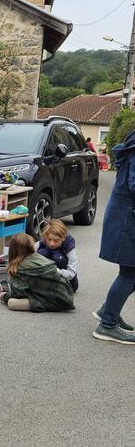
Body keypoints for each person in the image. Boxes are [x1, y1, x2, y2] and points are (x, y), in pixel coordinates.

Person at [94, 130, 135, 344]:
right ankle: (107, 324)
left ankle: (108, 311)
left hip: (125, 215)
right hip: (128, 218)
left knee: (130, 272)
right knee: (130, 272)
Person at [0, 233, 75, 312]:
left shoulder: (19, 268)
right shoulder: (38, 257)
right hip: (66, 295)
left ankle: (49, 305)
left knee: (12, 303)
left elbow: (18, 294)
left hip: (54, 301)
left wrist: (4, 296)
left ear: (12, 249)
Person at [35, 219, 78, 292]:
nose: (52, 244)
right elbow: (29, 255)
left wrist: (57, 271)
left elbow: (72, 272)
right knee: (42, 253)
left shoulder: (69, 245)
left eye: (56, 241)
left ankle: (62, 286)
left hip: (67, 280)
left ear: (63, 238)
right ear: (45, 237)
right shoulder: (42, 242)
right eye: (49, 240)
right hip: (48, 278)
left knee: (58, 258)